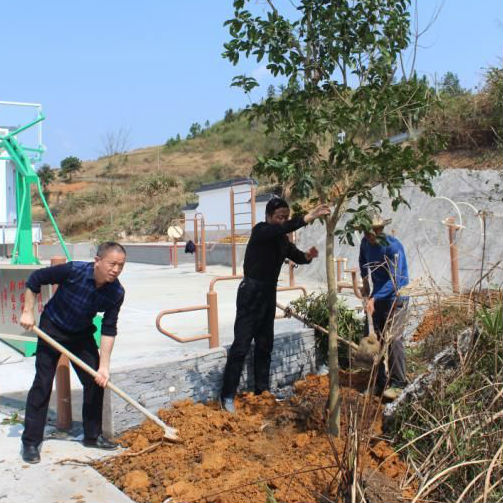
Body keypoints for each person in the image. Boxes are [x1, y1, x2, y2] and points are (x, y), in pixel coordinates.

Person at [19, 242, 127, 463]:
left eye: (121, 266)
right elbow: (35, 279)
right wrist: (28, 311)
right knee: (43, 383)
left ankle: (92, 435)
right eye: (112, 264)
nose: (116, 270)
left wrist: (104, 366)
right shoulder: (74, 270)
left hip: (81, 335)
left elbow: (109, 329)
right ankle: (30, 442)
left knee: (96, 381)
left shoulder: (116, 292)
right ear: (97, 261)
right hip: (52, 328)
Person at [220, 197, 330, 412]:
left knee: (264, 345)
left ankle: (263, 391)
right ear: (269, 216)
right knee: (241, 346)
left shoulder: (281, 240)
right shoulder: (261, 231)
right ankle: (227, 396)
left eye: (286, 217)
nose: (283, 221)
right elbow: (282, 229)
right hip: (250, 292)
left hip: (268, 294)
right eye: (279, 217)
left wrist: (308, 256)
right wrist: (308, 216)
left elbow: (296, 255)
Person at [358, 215, 409, 400]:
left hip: (397, 297)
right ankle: (379, 382)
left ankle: (399, 383)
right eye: (366, 232)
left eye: (372, 232)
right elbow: (363, 262)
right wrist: (365, 283)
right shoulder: (365, 244)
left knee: (393, 339)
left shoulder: (393, 246)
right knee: (374, 339)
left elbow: (397, 280)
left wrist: (374, 298)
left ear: (380, 230)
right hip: (378, 297)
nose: (369, 236)